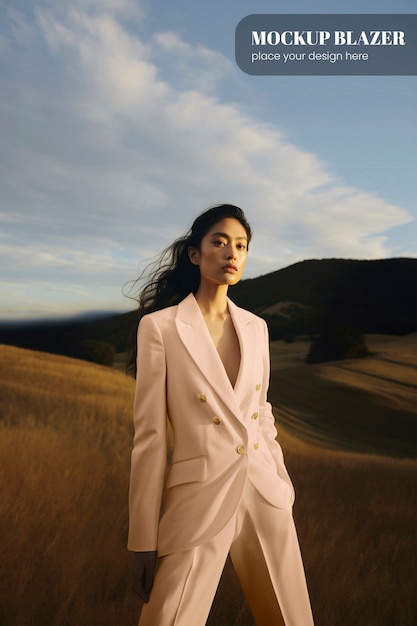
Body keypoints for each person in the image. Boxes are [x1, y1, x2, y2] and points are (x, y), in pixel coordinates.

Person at [128, 204, 314, 626]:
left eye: (241, 245)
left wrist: (281, 482)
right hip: (199, 494)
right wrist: (142, 537)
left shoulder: (256, 327)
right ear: (195, 254)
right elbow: (151, 438)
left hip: (263, 491)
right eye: (220, 241)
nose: (232, 252)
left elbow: (261, 412)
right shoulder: (160, 327)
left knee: (291, 619)